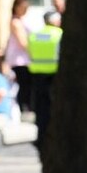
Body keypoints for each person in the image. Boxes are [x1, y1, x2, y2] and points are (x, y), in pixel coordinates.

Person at [27, 11, 63, 149]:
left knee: (40, 109)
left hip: (37, 75)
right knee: (54, 107)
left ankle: (42, 136)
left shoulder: (34, 36)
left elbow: (29, 52)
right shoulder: (59, 34)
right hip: (54, 75)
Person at [5, 0, 34, 114]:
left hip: (23, 59)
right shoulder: (15, 22)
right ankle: (24, 108)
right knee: (24, 86)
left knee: (26, 85)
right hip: (20, 60)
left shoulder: (21, 21)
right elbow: (23, 42)